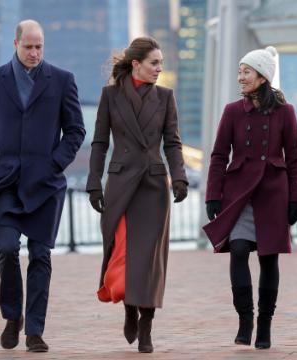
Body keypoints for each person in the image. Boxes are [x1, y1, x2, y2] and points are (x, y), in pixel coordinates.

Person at [0, 20, 85, 353]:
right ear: (15, 44)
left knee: (40, 255)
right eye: (28, 46)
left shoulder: (63, 80)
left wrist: (55, 163)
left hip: (46, 184)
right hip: (6, 183)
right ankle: (13, 316)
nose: (34, 53)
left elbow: (75, 131)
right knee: (8, 248)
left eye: (39, 46)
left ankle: (35, 330)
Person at [85, 36, 188, 354]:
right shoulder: (110, 96)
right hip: (120, 186)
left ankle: (146, 325)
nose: (160, 69)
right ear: (136, 64)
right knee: (122, 254)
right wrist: (93, 181)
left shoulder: (165, 97)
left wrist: (180, 177)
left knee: (149, 261)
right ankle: (130, 307)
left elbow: (171, 142)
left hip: (154, 187)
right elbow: (100, 142)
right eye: (154, 63)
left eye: (161, 63)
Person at [203, 46, 297, 350]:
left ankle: (265, 326)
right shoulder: (233, 111)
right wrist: (213, 195)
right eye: (239, 72)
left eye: (246, 72)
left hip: (273, 194)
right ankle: (245, 319)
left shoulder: (285, 112)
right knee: (238, 250)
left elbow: (295, 159)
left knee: (268, 258)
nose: (240, 77)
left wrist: (295, 197)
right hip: (239, 193)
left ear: (263, 76)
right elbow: (219, 155)